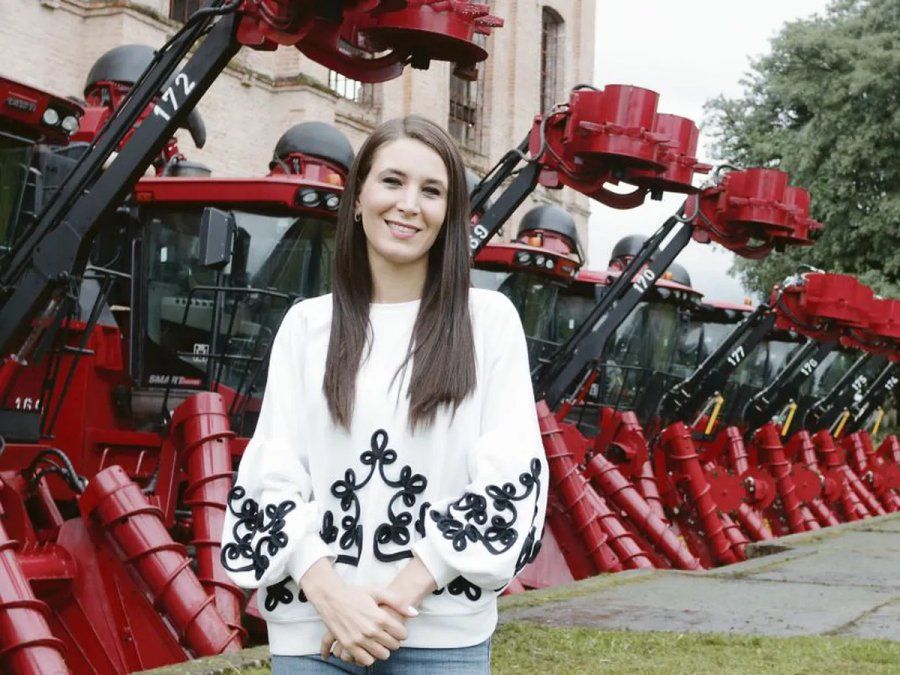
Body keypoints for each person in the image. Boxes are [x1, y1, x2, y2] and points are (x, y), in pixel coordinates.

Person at [221, 115, 547, 674]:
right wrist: (333, 599)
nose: (408, 205)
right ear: (357, 198)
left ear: (449, 215)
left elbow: (512, 477)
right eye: (392, 181)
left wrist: (393, 601)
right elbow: (271, 475)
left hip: (439, 637)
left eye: (432, 191)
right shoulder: (307, 327)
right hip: (315, 632)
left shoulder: (488, 322)